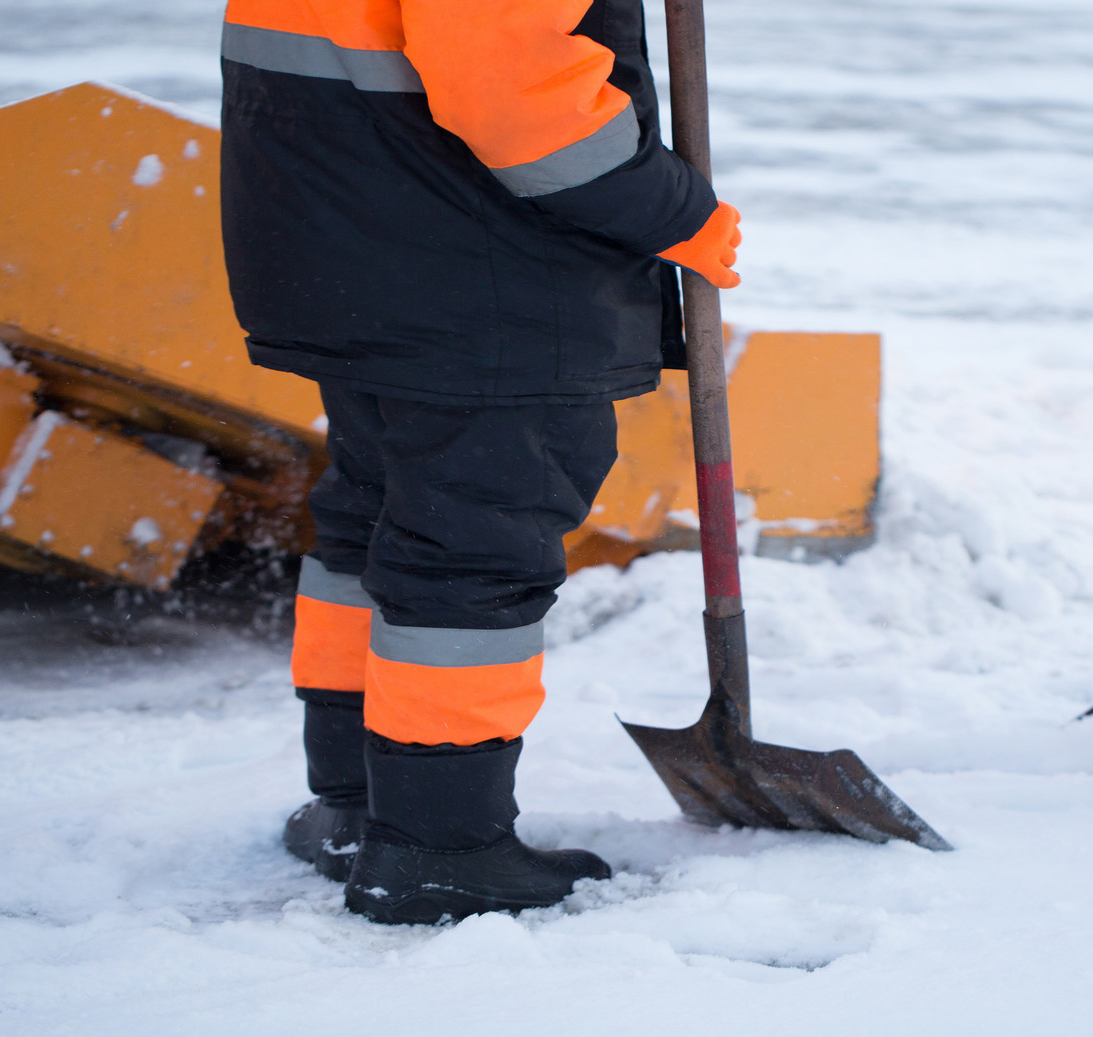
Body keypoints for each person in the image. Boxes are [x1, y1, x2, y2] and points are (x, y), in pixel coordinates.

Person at [218, 0, 741, 923]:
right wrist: (671, 207)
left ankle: (357, 803)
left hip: (350, 219)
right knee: (474, 542)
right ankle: (437, 847)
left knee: (376, 513)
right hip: (471, 257)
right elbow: (504, 76)